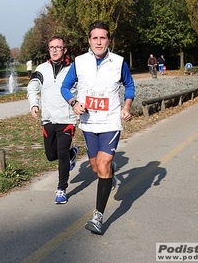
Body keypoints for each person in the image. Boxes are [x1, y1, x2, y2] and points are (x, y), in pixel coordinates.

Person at [61, 20, 135, 234]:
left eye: (103, 37)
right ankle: (109, 174)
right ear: (89, 40)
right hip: (88, 122)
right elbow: (65, 87)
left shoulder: (119, 62)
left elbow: (129, 85)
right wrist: (74, 103)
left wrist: (127, 105)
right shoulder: (79, 62)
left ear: (109, 40)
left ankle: (98, 217)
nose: (99, 42)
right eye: (95, 38)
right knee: (96, 167)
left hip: (111, 121)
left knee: (103, 164)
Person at [27, 35, 78, 204]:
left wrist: (78, 108)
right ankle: (73, 154)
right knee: (51, 155)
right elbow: (32, 88)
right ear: (48, 50)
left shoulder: (73, 69)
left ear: (65, 50)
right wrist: (34, 104)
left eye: (58, 47)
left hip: (67, 119)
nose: (55, 50)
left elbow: (82, 89)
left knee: (61, 153)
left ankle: (61, 189)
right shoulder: (41, 69)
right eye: (51, 47)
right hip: (48, 119)